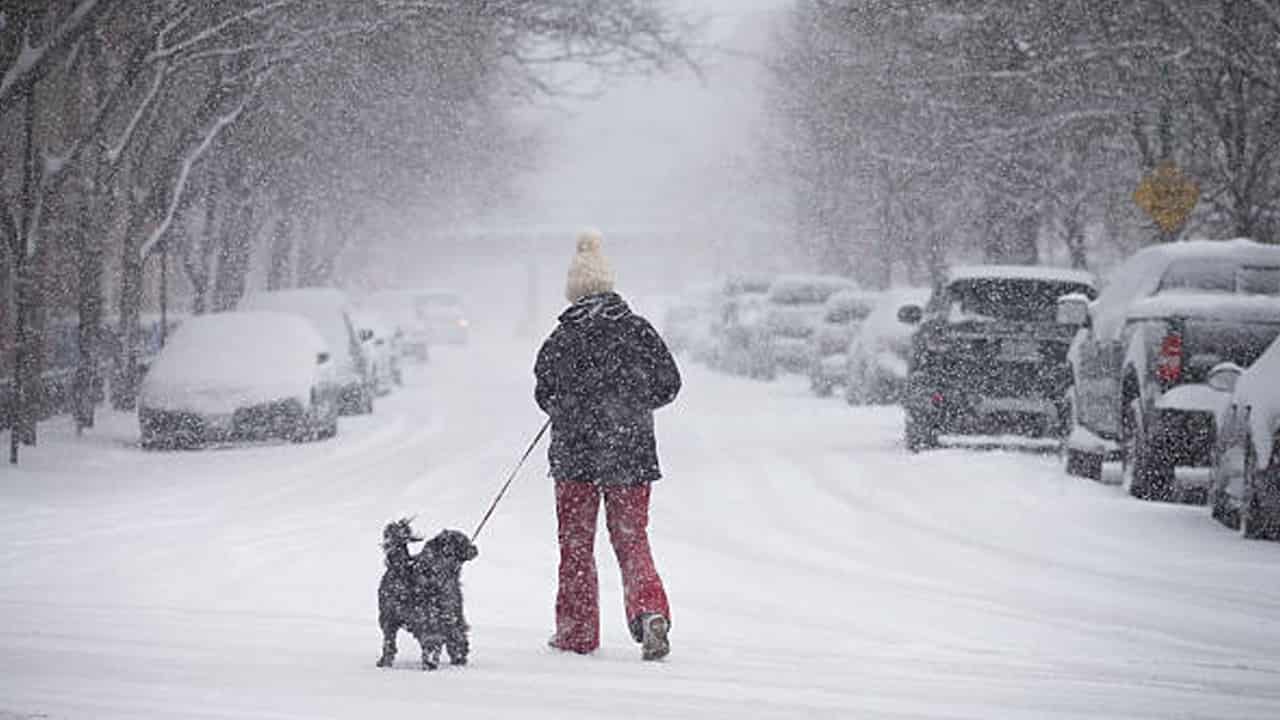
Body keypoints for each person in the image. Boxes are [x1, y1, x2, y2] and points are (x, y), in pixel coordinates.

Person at [534, 228, 682, 661]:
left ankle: (577, 632)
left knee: (577, 547)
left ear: (575, 290)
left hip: (575, 458)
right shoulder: (638, 331)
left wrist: (572, 408)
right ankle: (651, 611)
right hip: (630, 454)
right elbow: (670, 384)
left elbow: (544, 393)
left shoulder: (563, 338)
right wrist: (632, 406)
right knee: (632, 540)